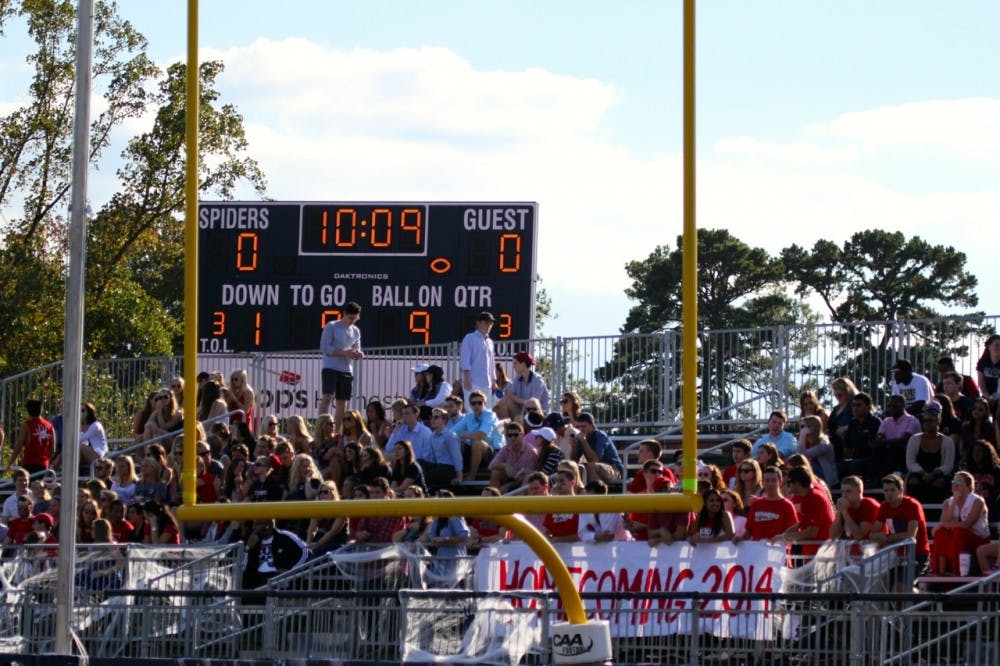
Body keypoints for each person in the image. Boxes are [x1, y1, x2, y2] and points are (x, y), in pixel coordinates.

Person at [870, 474, 930, 576]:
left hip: (918, 554)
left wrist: (887, 538)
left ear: (901, 490)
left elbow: (910, 536)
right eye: (886, 490)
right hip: (896, 555)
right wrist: (880, 536)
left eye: (892, 490)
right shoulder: (884, 506)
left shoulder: (912, 505)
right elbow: (872, 534)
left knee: (901, 587)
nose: (889, 494)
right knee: (888, 585)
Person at [930, 471, 989, 575]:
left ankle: (957, 572)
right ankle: (940, 572)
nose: (955, 484)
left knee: (958, 531)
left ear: (968, 486)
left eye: (959, 482)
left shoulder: (977, 501)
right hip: (957, 539)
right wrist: (954, 503)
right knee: (941, 533)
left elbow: (967, 525)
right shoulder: (948, 502)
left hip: (977, 539)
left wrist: (943, 525)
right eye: (953, 481)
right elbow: (944, 521)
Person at [734, 466, 798, 543]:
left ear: (780, 482)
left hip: (778, 552)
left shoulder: (787, 505)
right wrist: (740, 539)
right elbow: (749, 531)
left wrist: (780, 539)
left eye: (773, 480)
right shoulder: (756, 504)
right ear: (763, 482)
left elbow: (793, 532)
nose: (770, 484)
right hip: (758, 551)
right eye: (767, 480)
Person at [782, 466, 835, 558]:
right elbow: (804, 521)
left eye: (789, 482)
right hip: (811, 552)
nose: (787, 486)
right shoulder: (802, 497)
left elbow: (812, 532)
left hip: (822, 554)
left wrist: (785, 537)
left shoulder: (815, 498)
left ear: (797, 483)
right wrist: (793, 528)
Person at [905, 406, 955, 503]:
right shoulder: (914, 439)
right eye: (925, 421)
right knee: (913, 482)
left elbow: (948, 465)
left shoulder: (947, 441)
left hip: (939, 475)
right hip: (919, 474)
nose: (927, 423)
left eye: (930, 420)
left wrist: (934, 474)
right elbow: (910, 463)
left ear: (938, 421)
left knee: (939, 483)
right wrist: (923, 473)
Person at [242, 519, 309, 589]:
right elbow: (243, 566)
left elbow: (305, 552)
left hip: (279, 578)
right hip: (257, 579)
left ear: (267, 526)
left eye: (256, 525)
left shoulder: (285, 537)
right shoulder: (252, 539)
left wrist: (291, 571)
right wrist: (248, 547)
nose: (253, 528)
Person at [451, 390, 503, 478]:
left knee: (477, 442)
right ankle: (457, 473)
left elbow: (482, 435)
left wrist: (462, 435)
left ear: (485, 403)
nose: (477, 405)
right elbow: (451, 433)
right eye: (473, 403)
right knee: (457, 442)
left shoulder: (490, 415)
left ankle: (472, 476)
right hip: (476, 451)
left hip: (495, 453)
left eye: (480, 403)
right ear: (470, 405)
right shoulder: (468, 416)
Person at [570, 412, 625, 484]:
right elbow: (574, 461)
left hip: (614, 470)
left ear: (592, 426)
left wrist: (583, 441)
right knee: (572, 467)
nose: (581, 429)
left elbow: (595, 459)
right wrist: (574, 446)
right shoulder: (581, 437)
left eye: (584, 426)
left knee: (591, 467)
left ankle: (594, 493)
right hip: (597, 468)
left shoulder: (599, 436)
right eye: (578, 427)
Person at [494, 351, 550, 418]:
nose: (513, 366)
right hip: (523, 412)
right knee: (506, 402)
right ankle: (508, 427)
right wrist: (495, 408)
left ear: (523, 365)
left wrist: (519, 400)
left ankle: (514, 426)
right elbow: (510, 395)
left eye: (515, 363)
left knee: (517, 416)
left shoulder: (538, 380)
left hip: (538, 415)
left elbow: (533, 404)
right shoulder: (518, 378)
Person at [876, 394, 921, 477]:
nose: (891, 409)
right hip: (889, 452)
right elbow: (879, 436)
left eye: (894, 406)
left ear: (903, 405)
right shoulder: (886, 421)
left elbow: (904, 440)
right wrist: (877, 440)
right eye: (889, 406)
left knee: (894, 448)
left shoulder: (912, 421)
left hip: (907, 453)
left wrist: (884, 442)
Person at [488, 422, 539, 492]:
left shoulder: (531, 451)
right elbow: (491, 466)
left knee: (528, 476)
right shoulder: (506, 449)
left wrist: (508, 485)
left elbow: (530, 475)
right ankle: (493, 498)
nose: (512, 437)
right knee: (496, 472)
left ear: (522, 434)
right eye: (510, 435)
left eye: (515, 435)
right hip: (511, 480)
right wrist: (505, 466)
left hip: (525, 483)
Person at [460, 312, 496, 407]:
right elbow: (465, 360)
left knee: (487, 411)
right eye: (486, 322)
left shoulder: (490, 342)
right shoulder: (469, 338)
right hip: (472, 382)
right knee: (471, 410)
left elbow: (491, 363)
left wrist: (493, 381)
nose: (489, 325)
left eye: (491, 323)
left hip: (486, 383)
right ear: (478, 323)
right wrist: (467, 379)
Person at [9, 399, 55, 474]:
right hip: (44, 465)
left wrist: (10, 463)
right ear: (41, 410)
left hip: (29, 464)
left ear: (28, 412)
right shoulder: (50, 427)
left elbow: (19, 446)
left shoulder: (27, 426)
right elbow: (52, 450)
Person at [830, 476, 881, 541]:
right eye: (842, 492)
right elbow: (833, 536)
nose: (844, 495)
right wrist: (840, 513)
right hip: (854, 548)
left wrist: (845, 512)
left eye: (848, 491)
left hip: (876, 548)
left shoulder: (870, 505)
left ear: (859, 491)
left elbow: (859, 536)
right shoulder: (846, 506)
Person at [422, 408, 464, 487]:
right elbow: (432, 456)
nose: (432, 420)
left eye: (436, 417)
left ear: (444, 420)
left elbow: (457, 457)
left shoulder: (450, 436)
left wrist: (459, 477)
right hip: (438, 466)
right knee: (419, 463)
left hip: (449, 468)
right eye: (432, 417)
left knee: (428, 475)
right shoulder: (432, 436)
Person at [797, 414, 838, 487]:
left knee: (808, 465)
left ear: (816, 427)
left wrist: (802, 436)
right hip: (813, 473)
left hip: (826, 476)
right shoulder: (804, 441)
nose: (804, 430)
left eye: (808, 426)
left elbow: (801, 456)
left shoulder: (824, 443)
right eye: (802, 427)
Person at [542, 468, 581, 543]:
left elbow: (583, 535)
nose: (558, 484)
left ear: (572, 482)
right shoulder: (553, 507)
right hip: (557, 551)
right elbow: (547, 532)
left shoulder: (580, 505)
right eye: (557, 481)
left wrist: (558, 539)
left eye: (562, 481)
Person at [828, 377, 859, 461]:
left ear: (847, 391)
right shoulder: (836, 409)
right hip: (836, 443)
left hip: (849, 443)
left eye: (840, 394)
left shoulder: (854, 405)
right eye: (835, 392)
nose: (837, 396)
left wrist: (846, 427)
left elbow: (861, 422)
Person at [976, 334, 1000, 406]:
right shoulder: (982, 362)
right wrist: (987, 397)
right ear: (989, 347)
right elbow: (981, 382)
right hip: (987, 396)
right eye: (996, 345)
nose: (998, 348)